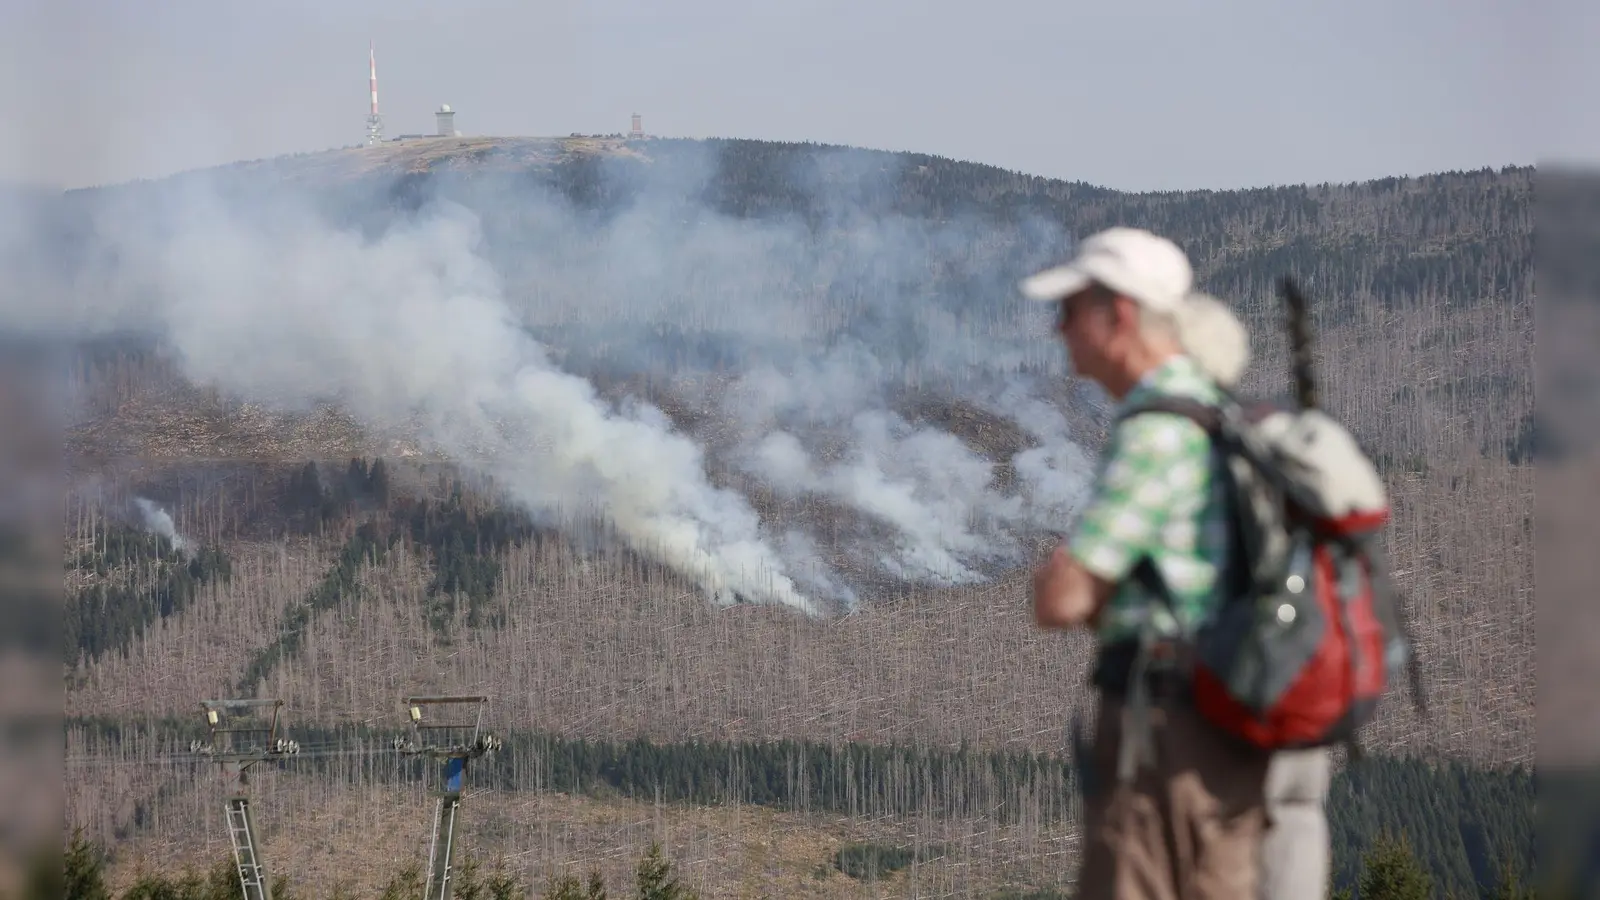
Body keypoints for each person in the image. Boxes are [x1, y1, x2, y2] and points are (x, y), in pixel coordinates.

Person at [1022, 226, 1272, 900]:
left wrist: (1061, 575)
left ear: (1120, 315)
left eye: (1069, 310)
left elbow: (1063, 599)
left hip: (1164, 730)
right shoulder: (1216, 411)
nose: (1058, 329)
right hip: (1225, 722)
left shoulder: (1155, 430)